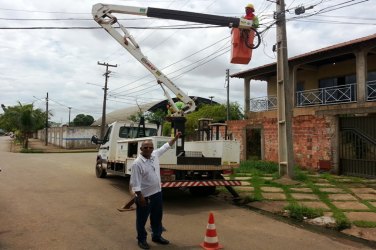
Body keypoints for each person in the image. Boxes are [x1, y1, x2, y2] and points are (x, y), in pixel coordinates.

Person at [130, 131, 182, 249]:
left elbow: (166, 146)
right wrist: (140, 197)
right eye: (146, 147)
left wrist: (176, 137)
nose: (148, 149)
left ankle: (157, 236)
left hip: (157, 193)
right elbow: (135, 182)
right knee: (142, 220)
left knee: (157, 216)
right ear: (141, 149)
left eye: (150, 147)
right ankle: (142, 239)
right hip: (145, 196)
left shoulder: (154, 155)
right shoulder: (137, 164)